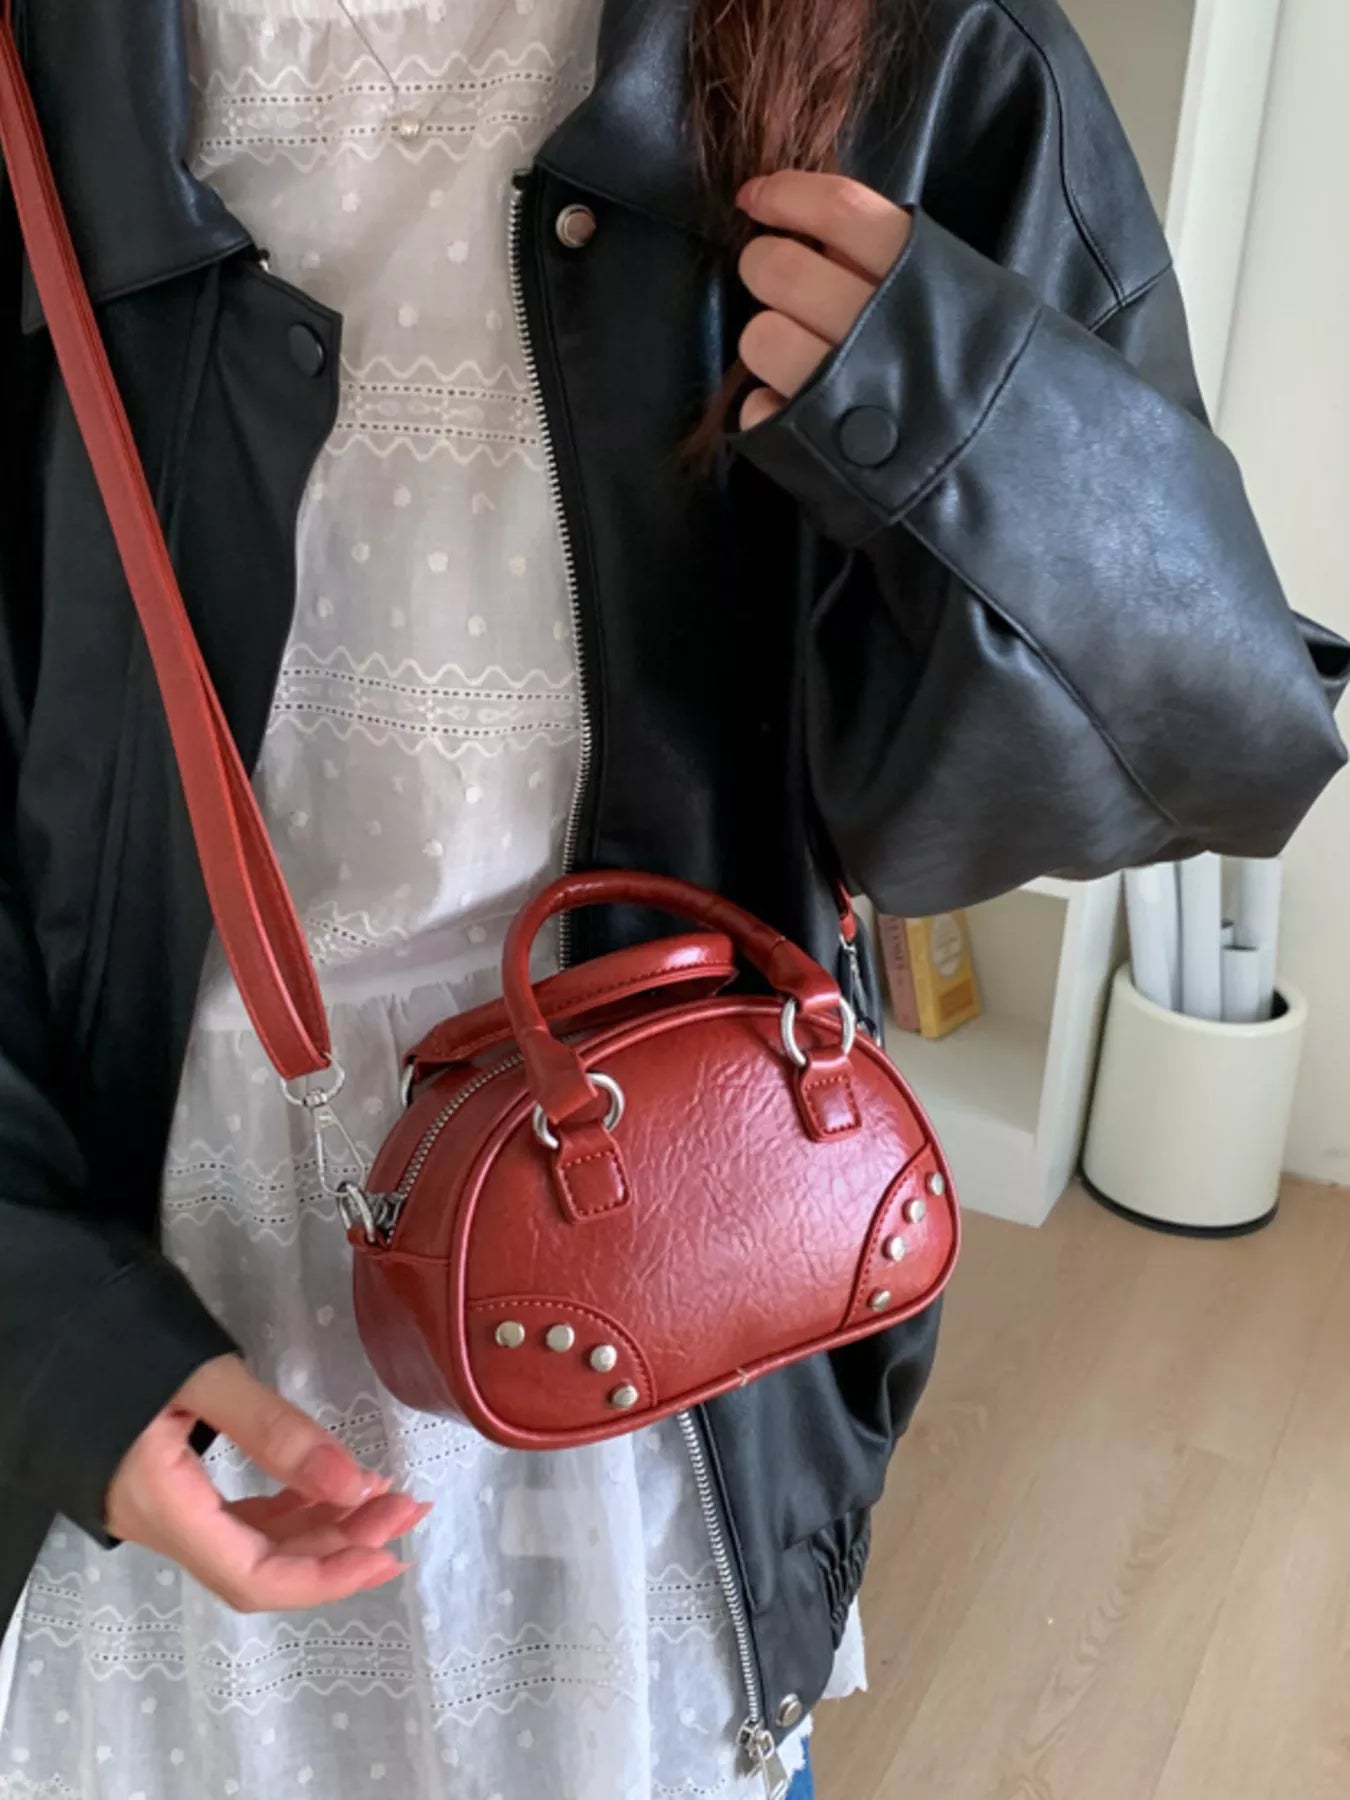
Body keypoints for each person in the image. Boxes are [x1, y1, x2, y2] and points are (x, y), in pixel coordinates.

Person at [0, 0, 1345, 1795]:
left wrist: (958, 425)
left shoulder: (902, 41)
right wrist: (52, 1351)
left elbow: (1204, 739)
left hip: (639, 1295)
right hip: (118, 1266)